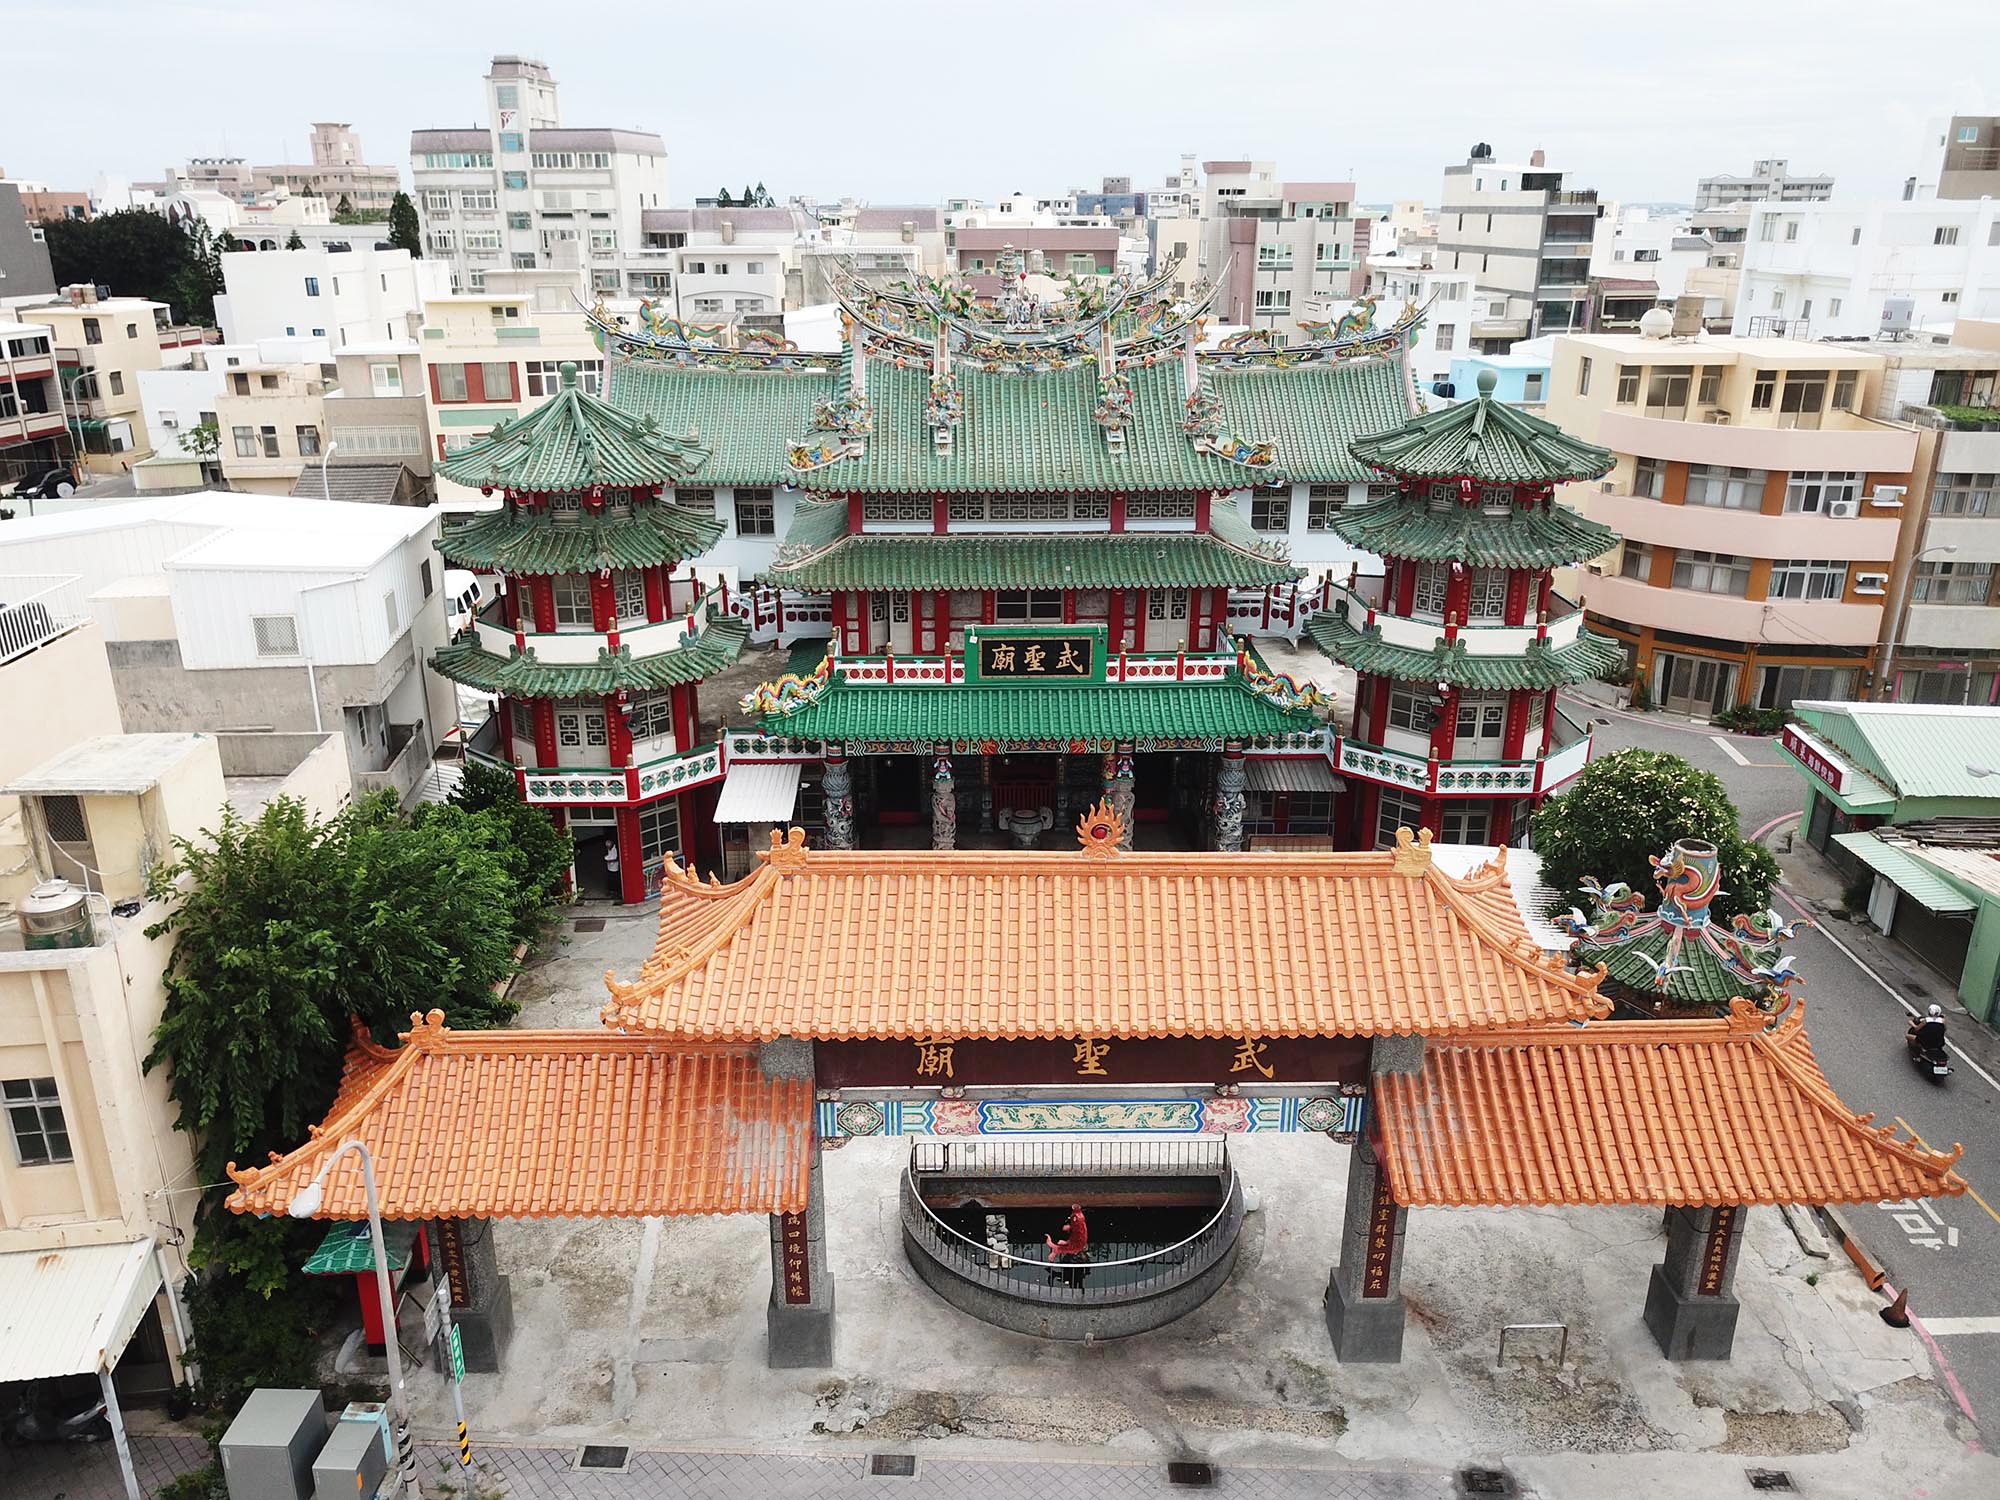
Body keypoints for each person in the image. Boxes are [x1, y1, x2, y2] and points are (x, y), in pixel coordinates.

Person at [1044, 1204, 1088, 1288]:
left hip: (1077, 1242)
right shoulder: (1078, 1220)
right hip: (1076, 1240)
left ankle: (1057, 1250)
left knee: (1074, 1246)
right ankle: (1058, 1249)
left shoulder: (1078, 1220)